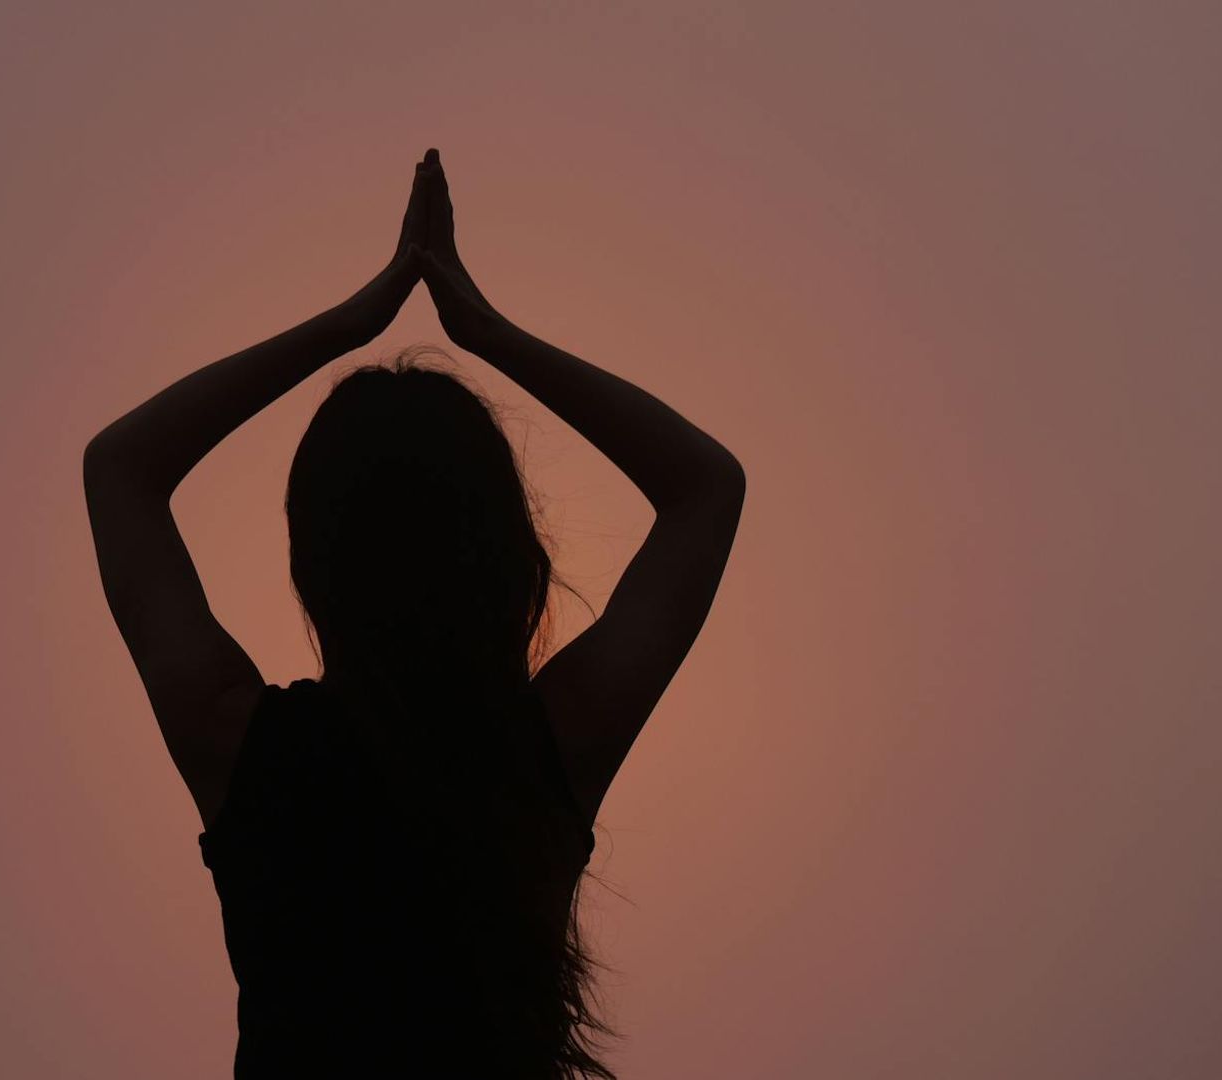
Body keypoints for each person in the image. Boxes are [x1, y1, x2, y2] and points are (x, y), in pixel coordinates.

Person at [83, 148, 746, 1079]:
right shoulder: (550, 748)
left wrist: (352, 323)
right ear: (512, 557)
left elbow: (120, 470)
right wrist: (483, 330)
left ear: (312, 564)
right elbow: (705, 489)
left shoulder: (241, 746)